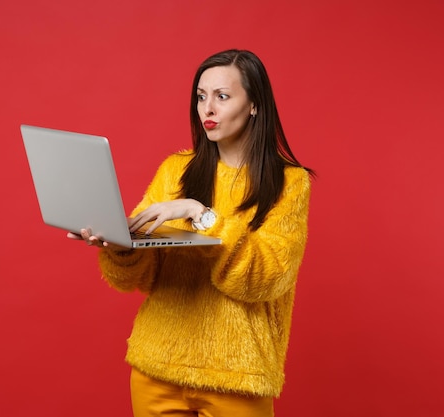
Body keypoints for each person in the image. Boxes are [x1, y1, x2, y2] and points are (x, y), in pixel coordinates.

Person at [68, 49, 313, 417]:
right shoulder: (175, 169)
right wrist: (118, 245)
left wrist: (202, 216)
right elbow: (142, 276)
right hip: (156, 368)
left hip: (237, 377)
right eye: (201, 96)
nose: (207, 109)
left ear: (254, 105)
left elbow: (268, 278)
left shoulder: (290, 182)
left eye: (222, 96)